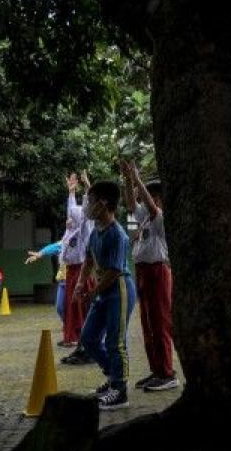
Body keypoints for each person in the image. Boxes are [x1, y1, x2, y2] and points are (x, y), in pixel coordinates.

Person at [78, 180, 138, 410]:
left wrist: (92, 292)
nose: (88, 206)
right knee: (89, 338)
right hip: (102, 291)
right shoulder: (95, 232)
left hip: (119, 290)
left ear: (103, 204)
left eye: (91, 201)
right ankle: (113, 377)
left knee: (116, 341)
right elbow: (89, 259)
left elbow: (113, 271)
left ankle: (120, 391)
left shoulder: (117, 235)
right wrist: (80, 283)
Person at [122, 160, 180, 393]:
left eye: (154, 195)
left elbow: (152, 208)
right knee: (147, 325)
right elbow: (129, 206)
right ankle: (156, 370)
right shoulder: (140, 218)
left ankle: (167, 373)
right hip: (143, 271)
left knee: (160, 323)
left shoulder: (160, 217)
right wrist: (128, 181)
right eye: (149, 194)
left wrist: (137, 181)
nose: (149, 198)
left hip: (158, 271)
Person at [60, 172, 93, 360]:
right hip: (72, 272)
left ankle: (86, 347)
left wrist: (88, 187)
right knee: (72, 309)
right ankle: (79, 345)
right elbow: (71, 208)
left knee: (83, 310)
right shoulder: (71, 232)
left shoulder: (84, 231)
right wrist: (71, 193)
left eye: (73, 216)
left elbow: (86, 210)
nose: (69, 218)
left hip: (82, 272)